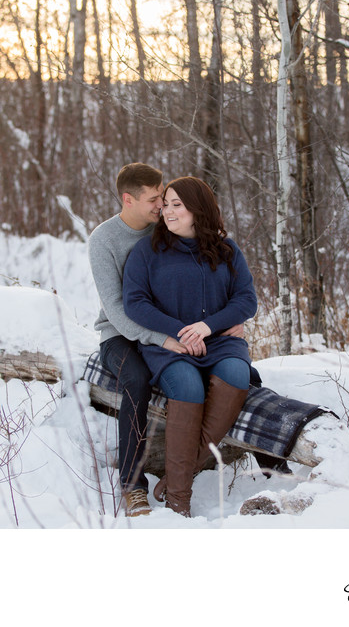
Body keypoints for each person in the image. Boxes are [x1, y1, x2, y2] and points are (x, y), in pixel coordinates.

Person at [89, 164, 243, 518]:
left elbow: (206, 270)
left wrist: (229, 323)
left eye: (164, 197)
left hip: (171, 332)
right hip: (120, 334)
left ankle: (182, 473)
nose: (162, 205)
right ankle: (132, 486)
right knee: (137, 380)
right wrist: (165, 338)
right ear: (128, 200)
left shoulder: (165, 227)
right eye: (154, 199)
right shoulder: (104, 239)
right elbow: (116, 309)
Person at [122, 176, 257, 516]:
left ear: (198, 209)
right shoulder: (148, 251)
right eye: (165, 204)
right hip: (171, 346)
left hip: (220, 343)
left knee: (237, 376)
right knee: (186, 386)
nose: (167, 211)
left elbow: (246, 300)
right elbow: (135, 303)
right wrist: (181, 331)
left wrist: (208, 325)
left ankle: (175, 478)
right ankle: (180, 501)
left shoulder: (227, 250)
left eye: (176, 205)